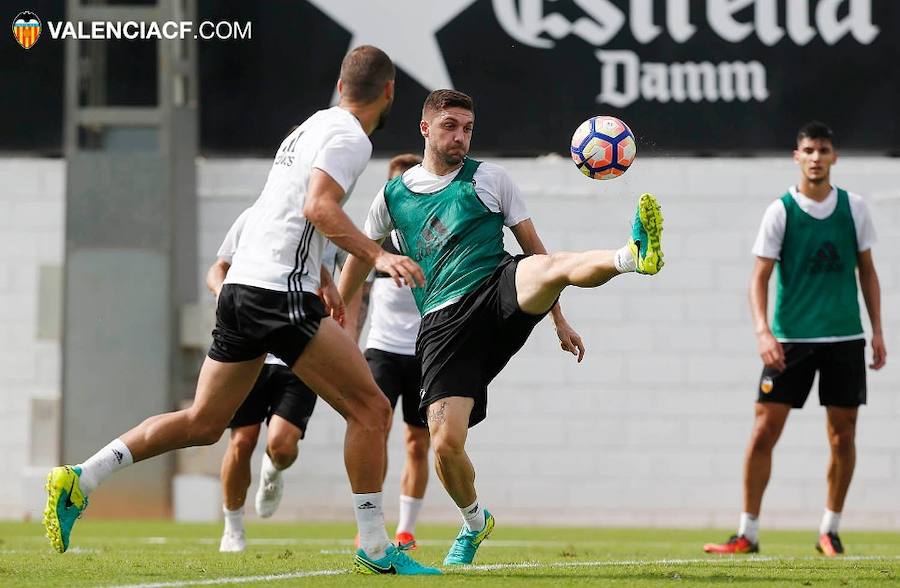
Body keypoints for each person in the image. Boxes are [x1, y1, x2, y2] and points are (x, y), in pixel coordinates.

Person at [43, 45, 440, 576]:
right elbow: (317, 208)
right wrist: (378, 255)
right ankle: (374, 547)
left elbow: (282, 213)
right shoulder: (349, 137)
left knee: (205, 423)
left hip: (243, 291)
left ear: (341, 86)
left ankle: (82, 476)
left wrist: (323, 276)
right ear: (389, 91)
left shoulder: (309, 127)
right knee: (370, 410)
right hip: (279, 295)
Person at [339, 89, 665, 566]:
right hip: (442, 326)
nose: (461, 137)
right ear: (425, 128)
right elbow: (357, 264)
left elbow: (539, 252)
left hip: (497, 289)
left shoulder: (491, 179)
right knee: (446, 447)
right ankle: (474, 522)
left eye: (468, 128)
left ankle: (631, 256)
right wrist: (337, 318)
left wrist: (559, 319)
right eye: (450, 126)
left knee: (550, 267)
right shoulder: (392, 196)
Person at [703, 121, 886, 557]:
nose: (817, 157)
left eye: (824, 149)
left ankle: (830, 530)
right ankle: (747, 533)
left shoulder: (854, 208)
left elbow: (868, 272)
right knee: (764, 431)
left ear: (834, 157)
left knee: (843, 436)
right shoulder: (780, 211)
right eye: (809, 150)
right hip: (790, 341)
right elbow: (759, 278)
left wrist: (878, 330)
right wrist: (763, 332)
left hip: (844, 338)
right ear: (797, 156)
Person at [208, 209, 336, 553]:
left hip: (301, 354)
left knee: (281, 445)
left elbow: (341, 286)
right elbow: (218, 269)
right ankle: (233, 527)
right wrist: (227, 300)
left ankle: (273, 470)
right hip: (252, 353)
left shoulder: (329, 224)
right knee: (242, 440)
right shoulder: (256, 216)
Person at [347, 154, 429, 551]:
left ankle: (406, 530)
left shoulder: (434, 236)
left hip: (426, 351)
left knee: (417, 443)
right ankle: (371, 523)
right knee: (372, 430)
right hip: (382, 350)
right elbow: (357, 293)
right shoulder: (375, 243)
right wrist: (347, 340)